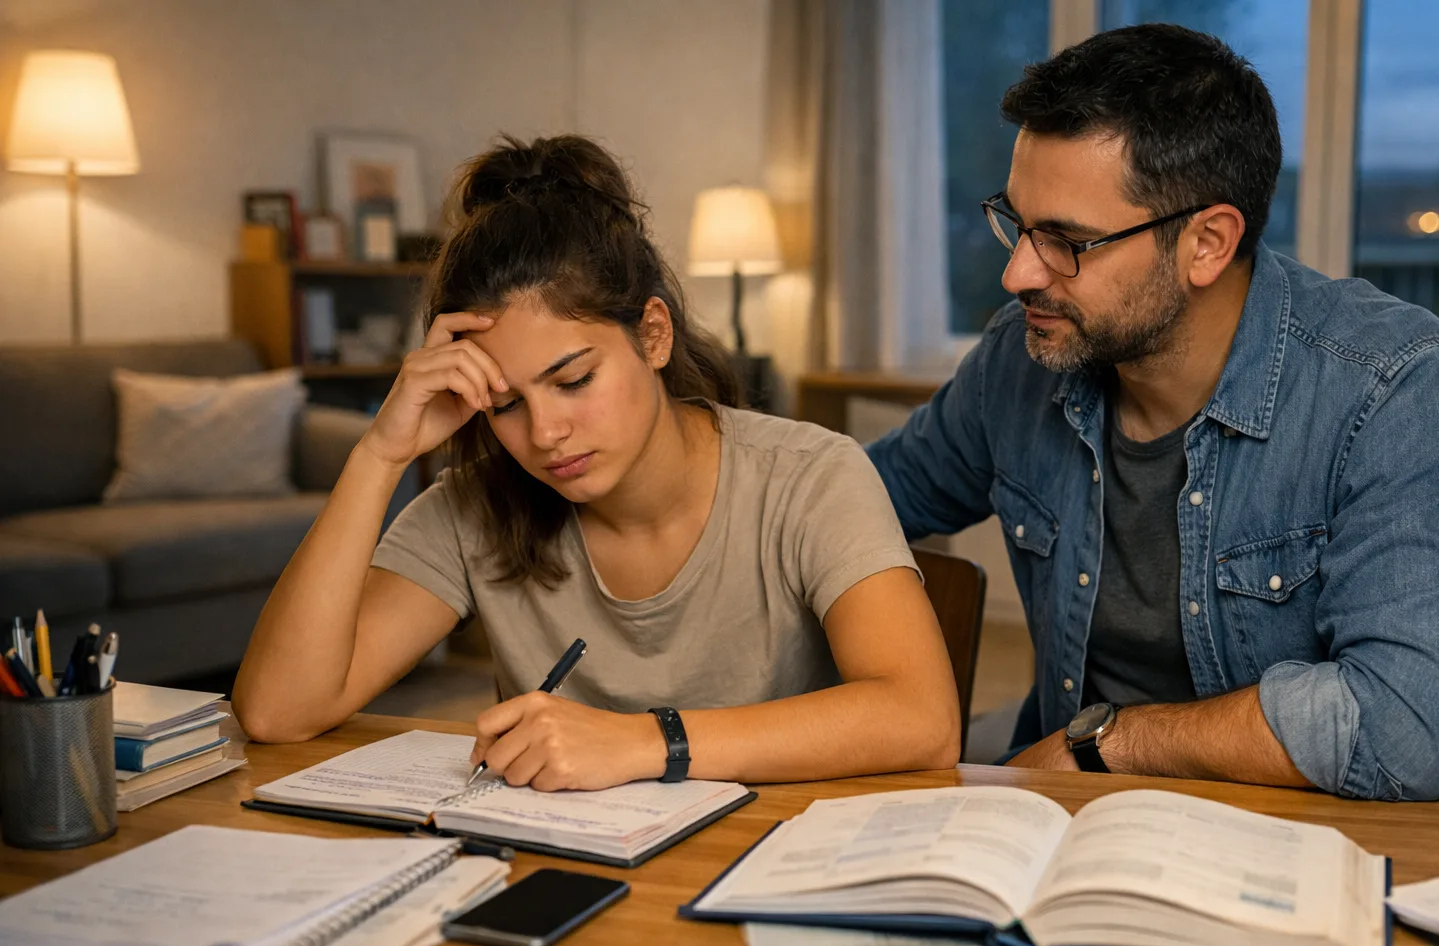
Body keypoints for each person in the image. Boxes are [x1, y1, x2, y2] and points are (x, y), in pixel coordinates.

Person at [867, 24, 1439, 800]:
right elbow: (860, 500)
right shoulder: (1023, 356)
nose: (1017, 274)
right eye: (1016, 223)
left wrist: (1106, 745)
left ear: (1208, 243)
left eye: (1066, 241)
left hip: (1336, 842)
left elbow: (1408, 730)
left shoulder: (1394, 389)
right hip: (1076, 824)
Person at [233, 135, 959, 789]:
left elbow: (922, 719)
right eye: (505, 404)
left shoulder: (811, 477)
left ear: (653, 335)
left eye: (574, 380)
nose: (546, 433)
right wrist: (379, 454)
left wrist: (645, 742)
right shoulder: (474, 507)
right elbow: (276, 711)